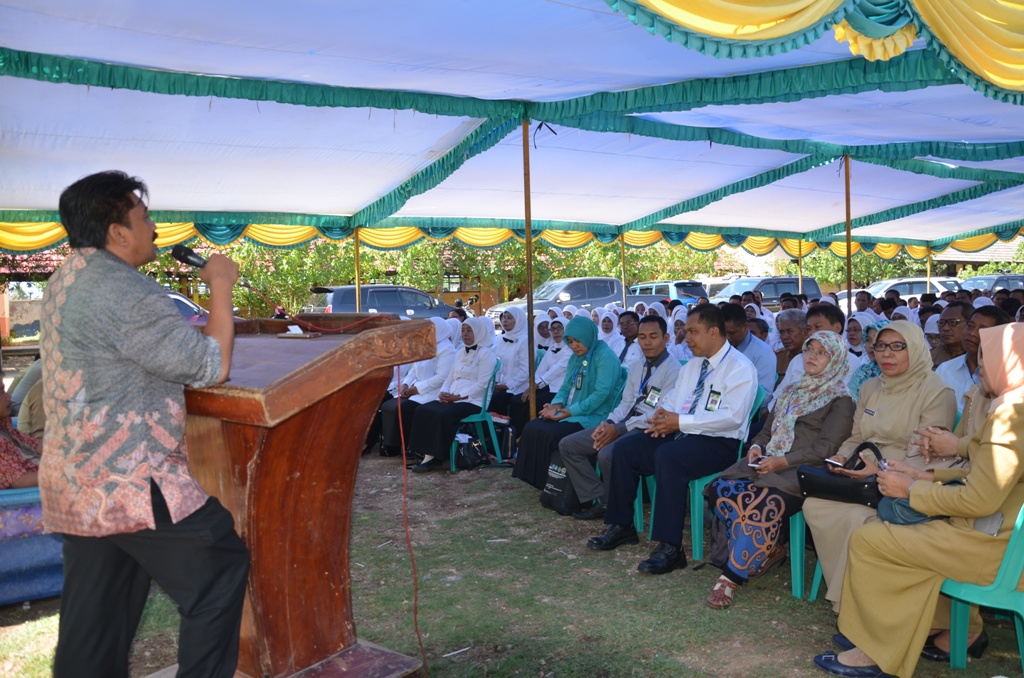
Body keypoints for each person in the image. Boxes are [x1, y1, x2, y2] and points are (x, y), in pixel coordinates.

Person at [41, 171, 248, 678]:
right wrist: (220, 286)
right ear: (118, 231)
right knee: (219, 565)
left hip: (76, 481)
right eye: (145, 216)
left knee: (96, 622)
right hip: (127, 479)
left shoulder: (67, 276)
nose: (154, 227)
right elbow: (209, 365)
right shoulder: (125, 291)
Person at [815, 323, 1024, 678]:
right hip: (990, 531)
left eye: (987, 357)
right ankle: (916, 628)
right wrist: (923, 477)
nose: (979, 365)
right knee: (892, 533)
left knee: (872, 539)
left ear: (1010, 363)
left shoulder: (1011, 415)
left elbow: (980, 499)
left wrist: (911, 490)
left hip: (995, 545)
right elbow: (982, 471)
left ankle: (876, 652)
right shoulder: (1009, 406)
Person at [586, 305, 757, 575]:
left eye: (693, 332)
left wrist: (679, 422)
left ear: (713, 332)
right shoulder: (692, 366)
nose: (686, 337)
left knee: (669, 457)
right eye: (686, 331)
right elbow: (672, 401)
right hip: (683, 432)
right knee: (627, 448)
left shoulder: (740, 368)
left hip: (719, 442)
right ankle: (621, 526)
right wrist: (660, 419)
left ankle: (671, 547)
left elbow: (732, 418)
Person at [802, 320, 957, 614]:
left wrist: (880, 471)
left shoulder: (937, 390)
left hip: (903, 476)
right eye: (881, 346)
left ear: (915, 349)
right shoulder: (872, 387)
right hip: (863, 468)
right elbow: (857, 436)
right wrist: (840, 457)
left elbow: (929, 455)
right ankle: (847, 597)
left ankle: (854, 605)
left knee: (856, 519)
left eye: (898, 347)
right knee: (815, 505)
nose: (887, 354)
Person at [707, 331, 854, 608]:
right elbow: (767, 430)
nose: (812, 356)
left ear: (835, 360)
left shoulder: (841, 400)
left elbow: (825, 449)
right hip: (767, 461)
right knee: (721, 487)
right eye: (810, 349)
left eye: (822, 352)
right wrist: (757, 448)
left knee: (762, 502)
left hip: (802, 470)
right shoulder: (791, 389)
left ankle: (730, 578)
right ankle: (769, 549)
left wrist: (782, 461)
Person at [559, 316, 682, 520]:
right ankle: (601, 500)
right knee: (568, 445)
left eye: (653, 336)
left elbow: (659, 413)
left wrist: (620, 429)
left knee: (607, 454)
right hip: (623, 424)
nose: (647, 342)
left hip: (648, 429)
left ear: (666, 338)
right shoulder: (637, 366)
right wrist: (608, 424)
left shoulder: (675, 371)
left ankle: (618, 511)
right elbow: (625, 403)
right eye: (642, 337)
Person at [512, 316, 623, 489]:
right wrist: (555, 405)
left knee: (551, 433)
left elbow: (601, 394)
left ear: (588, 336)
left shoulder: (605, 356)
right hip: (574, 410)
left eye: (578, 340)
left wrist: (570, 411)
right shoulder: (576, 357)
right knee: (533, 427)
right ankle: (538, 480)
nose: (574, 345)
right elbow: (565, 387)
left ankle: (552, 483)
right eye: (570, 341)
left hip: (596, 415)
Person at [408, 317, 498, 473]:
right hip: (454, 396)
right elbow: (449, 377)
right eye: (463, 330)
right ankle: (422, 452)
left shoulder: (486, 354)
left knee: (444, 415)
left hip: (473, 400)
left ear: (479, 332)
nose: (465, 334)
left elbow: (482, 385)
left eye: (469, 330)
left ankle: (434, 456)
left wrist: (459, 397)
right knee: (424, 410)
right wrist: (443, 393)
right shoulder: (459, 351)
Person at [379, 318, 455, 457]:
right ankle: (395, 446)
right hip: (417, 389)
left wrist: (417, 389)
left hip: (433, 391)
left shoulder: (446, 349)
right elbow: (414, 369)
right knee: (388, 406)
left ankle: (412, 447)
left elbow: (442, 377)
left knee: (403, 408)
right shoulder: (424, 345)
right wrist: (406, 384)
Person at [770, 305, 858, 410]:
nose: (811, 333)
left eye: (817, 327)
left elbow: (834, 402)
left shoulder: (850, 362)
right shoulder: (799, 359)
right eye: (809, 328)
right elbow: (779, 394)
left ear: (837, 328)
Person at [935, 305, 1011, 414]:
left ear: (998, 336)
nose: (972, 333)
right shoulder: (945, 369)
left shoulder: (1003, 376)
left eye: (982, 329)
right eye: (970, 326)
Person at [508, 317, 570, 435]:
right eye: (553, 329)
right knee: (517, 400)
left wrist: (536, 385)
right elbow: (541, 370)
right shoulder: (552, 347)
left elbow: (557, 369)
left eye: (559, 328)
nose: (555, 332)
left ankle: (526, 434)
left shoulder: (571, 349)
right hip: (549, 387)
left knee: (533, 402)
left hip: (561, 391)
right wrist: (531, 386)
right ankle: (514, 434)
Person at [722, 303, 776, 397]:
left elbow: (764, 394)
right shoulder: (718, 346)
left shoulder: (763, 352)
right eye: (723, 333)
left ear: (746, 327)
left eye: (732, 333)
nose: (727, 337)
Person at [489, 306, 530, 416]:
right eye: (503, 317)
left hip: (517, 386)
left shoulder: (525, 340)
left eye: (509, 318)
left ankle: (498, 429)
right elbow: (496, 363)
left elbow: (526, 370)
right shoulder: (500, 338)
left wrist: (508, 385)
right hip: (501, 385)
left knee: (495, 399)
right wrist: (496, 382)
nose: (504, 321)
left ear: (519, 320)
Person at [0, 380, 40, 489]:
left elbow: (36, 445)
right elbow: (19, 480)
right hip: (28, 500)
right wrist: (65, 474)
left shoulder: (5, 428)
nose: (8, 397)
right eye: (1, 393)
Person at [847, 318, 889, 399]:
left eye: (878, 341)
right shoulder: (862, 372)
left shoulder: (899, 372)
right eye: (868, 340)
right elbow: (849, 398)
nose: (871, 345)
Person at [931, 301, 973, 367]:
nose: (945, 328)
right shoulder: (929, 357)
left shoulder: (979, 358)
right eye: (941, 323)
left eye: (953, 322)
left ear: (969, 325)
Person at [774, 309, 807, 383]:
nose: (784, 337)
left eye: (789, 331)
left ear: (804, 332)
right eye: (781, 332)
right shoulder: (776, 358)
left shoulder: (817, 359)